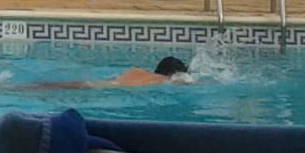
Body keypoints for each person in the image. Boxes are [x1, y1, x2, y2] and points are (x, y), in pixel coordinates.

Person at [17, 56, 190, 90]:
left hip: (102, 83)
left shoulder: (137, 70)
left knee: (53, 86)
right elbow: (184, 81)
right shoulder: (164, 80)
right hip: (105, 89)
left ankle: (19, 87)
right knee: (57, 88)